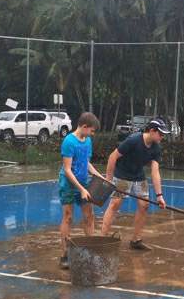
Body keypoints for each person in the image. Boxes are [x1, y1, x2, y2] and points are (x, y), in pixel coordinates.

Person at [101, 118, 169, 250]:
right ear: (151, 131)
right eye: (160, 134)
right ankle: (103, 238)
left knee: (144, 205)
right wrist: (109, 179)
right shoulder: (133, 140)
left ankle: (136, 240)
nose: (162, 137)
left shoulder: (156, 148)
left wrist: (159, 195)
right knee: (115, 204)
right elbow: (112, 157)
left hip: (139, 176)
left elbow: (155, 172)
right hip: (122, 175)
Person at [58, 112, 102, 269]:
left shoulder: (87, 140)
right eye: (91, 130)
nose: (92, 133)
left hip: (83, 183)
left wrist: (99, 177)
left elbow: (87, 163)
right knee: (68, 217)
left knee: (89, 215)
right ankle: (64, 254)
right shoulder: (69, 142)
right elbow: (67, 170)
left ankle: (90, 251)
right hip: (68, 185)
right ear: (84, 126)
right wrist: (82, 189)